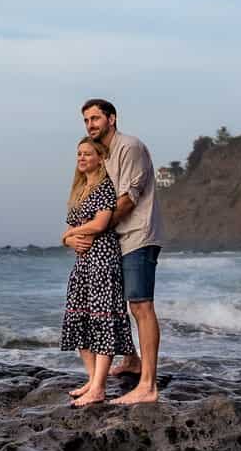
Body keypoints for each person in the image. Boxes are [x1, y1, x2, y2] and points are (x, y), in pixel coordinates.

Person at [68, 98, 165, 405]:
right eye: (86, 120)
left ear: (111, 119)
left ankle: (148, 385)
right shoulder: (104, 156)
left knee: (140, 306)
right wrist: (76, 237)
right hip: (115, 242)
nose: (90, 125)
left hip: (138, 236)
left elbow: (126, 201)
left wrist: (92, 231)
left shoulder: (129, 147)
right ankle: (133, 361)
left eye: (95, 119)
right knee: (113, 306)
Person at [59, 137, 132, 406]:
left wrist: (69, 234)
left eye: (88, 154)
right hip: (83, 263)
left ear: (100, 158)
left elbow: (101, 224)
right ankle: (91, 380)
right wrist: (68, 239)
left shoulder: (104, 187)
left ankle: (99, 387)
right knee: (79, 318)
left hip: (103, 259)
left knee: (102, 320)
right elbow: (71, 231)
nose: (81, 158)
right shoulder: (78, 191)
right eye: (79, 153)